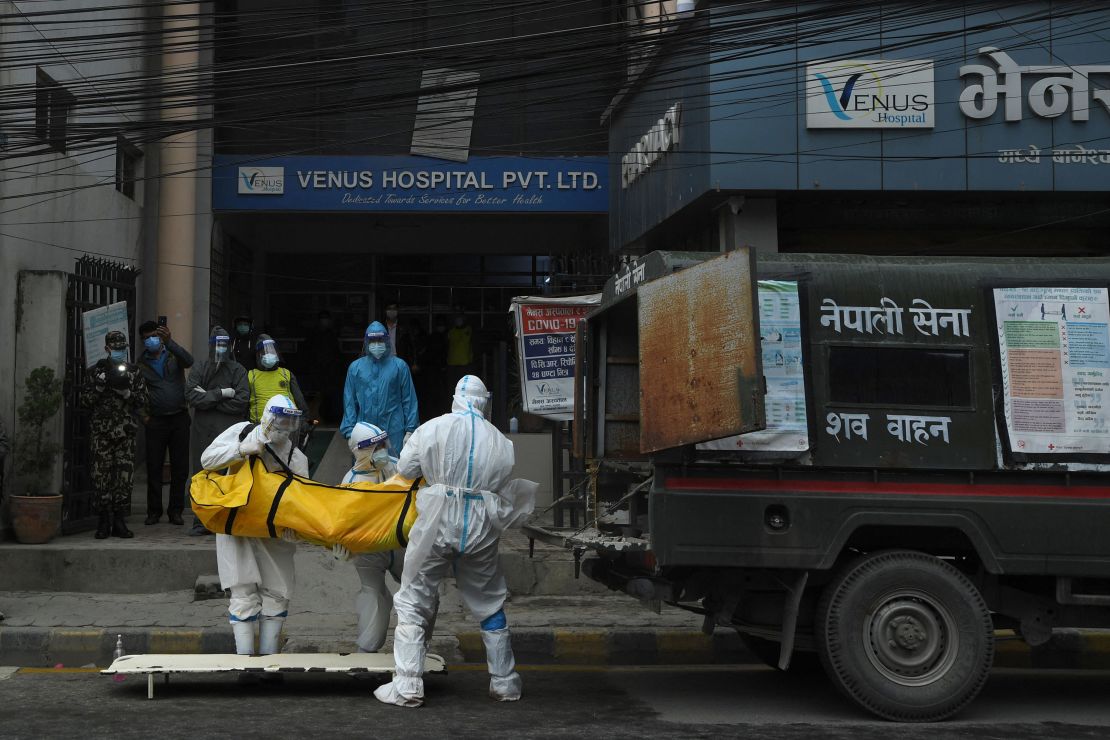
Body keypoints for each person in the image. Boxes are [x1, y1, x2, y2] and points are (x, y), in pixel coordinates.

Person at [375, 375, 523, 708]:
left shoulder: (433, 428)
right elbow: (502, 481)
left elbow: (408, 471)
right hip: (482, 523)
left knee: (414, 598)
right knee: (489, 602)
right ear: (484, 400)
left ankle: (408, 685)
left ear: (455, 397)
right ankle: (505, 683)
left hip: (437, 520)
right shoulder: (501, 441)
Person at [200, 394, 307, 661]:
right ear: (268, 418)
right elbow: (207, 460)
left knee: (277, 591)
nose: (284, 428)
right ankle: (244, 661)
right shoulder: (241, 432)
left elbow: (304, 498)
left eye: (290, 423)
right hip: (237, 527)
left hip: (275, 532)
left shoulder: (296, 456)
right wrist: (241, 450)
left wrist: (299, 528)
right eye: (280, 421)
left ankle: (270, 662)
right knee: (242, 590)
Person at [338, 422, 404, 653]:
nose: (382, 451)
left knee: (419, 593)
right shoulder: (350, 482)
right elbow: (342, 522)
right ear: (360, 450)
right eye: (375, 447)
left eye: (383, 445)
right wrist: (342, 548)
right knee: (373, 595)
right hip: (369, 549)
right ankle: (366, 650)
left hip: (401, 543)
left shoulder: (398, 467)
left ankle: (416, 648)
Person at [80, 330, 148, 539]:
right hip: (101, 434)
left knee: (124, 478)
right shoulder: (95, 371)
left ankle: (119, 520)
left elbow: (144, 400)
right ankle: (103, 520)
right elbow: (83, 402)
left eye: (122, 349)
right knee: (101, 477)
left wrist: (127, 393)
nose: (119, 352)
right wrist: (99, 387)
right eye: (115, 348)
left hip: (125, 433)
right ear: (107, 349)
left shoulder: (134, 372)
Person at [185, 327, 249, 536]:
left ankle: (224, 521)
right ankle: (201, 521)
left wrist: (210, 400)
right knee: (202, 474)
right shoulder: (200, 367)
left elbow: (240, 402)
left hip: (229, 431)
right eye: (217, 344)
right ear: (211, 345)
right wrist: (222, 393)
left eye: (224, 344)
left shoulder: (237, 369)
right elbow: (192, 396)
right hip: (203, 432)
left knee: (228, 475)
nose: (220, 348)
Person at [136, 320, 194, 525]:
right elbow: (137, 393)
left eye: (155, 336)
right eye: (146, 338)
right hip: (156, 421)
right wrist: (144, 417)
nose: (151, 340)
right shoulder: (140, 364)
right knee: (154, 466)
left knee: (180, 467)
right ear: (143, 341)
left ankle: (175, 511)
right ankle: (154, 511)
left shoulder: (172, 355)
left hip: (179, 417)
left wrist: (171, 342)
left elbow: (189, 361)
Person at [340, 321, 419, 458]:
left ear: (387, 340)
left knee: (393, 472)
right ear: (366, 342)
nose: (376, 344)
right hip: (364, 431)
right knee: (366, 472)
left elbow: (409, 399)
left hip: (393, 430)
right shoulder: (356, 368)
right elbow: (350, 402)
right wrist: (350, 432)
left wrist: (410, 430)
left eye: (380, 340)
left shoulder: (399, 366)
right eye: (372, 340)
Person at [248, 334, 308, 425]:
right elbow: (244, 402)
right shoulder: (251, 375)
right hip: (260, 426)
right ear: (258, 355)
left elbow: (300, 400)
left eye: (272, 352)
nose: (269, 354)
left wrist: (304, 420)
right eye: (264, 352)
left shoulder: (286, 373)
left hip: (287, 424)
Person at [302, 310, 344, 424]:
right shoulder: (313, 335)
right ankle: (315, 419)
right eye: (322, 318)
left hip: (330, 372)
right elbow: (307, 353)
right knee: (317, 397)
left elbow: (336, 354)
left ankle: (328, 418)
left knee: (329, 396)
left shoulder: (332, 335)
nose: (324, 321)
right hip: (317, 371)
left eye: (326, 319)